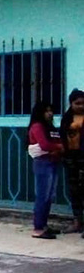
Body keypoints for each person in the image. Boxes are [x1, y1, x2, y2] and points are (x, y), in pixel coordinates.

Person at [27, 101, 63, 239]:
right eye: (46, 111)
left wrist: (57, 148)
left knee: (49, 196)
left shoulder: (50, 127)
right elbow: (44, 145)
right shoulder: (37, 126)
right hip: (43, 163)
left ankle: (43, 225)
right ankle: (38, 228)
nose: (50, 113)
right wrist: (59, 147)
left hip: (53, 161)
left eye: (51, 111)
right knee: (42, 195)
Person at [60, 89, 84, 235]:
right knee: (74, 190)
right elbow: (62, 136)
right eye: (77, 103)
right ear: (71, 104)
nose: (81, 106)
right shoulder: (67, 118)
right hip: (71, 159)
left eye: (83, 103)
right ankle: (77, 221)